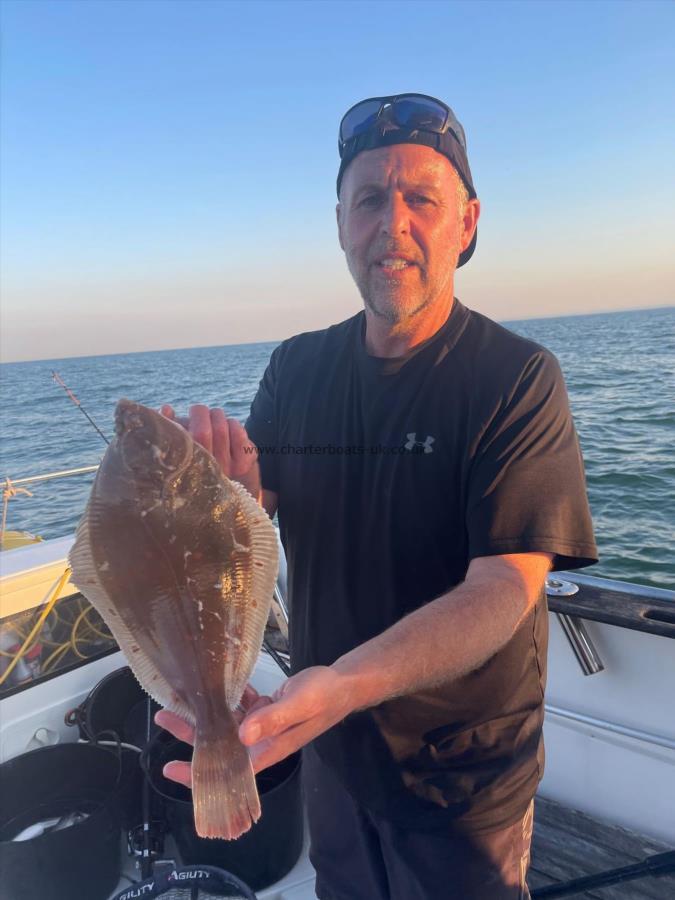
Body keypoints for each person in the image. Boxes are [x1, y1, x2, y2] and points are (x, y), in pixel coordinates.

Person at [157, 93, 598, 899]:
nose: (390, 223)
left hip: (460, 780)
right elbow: (258, 511)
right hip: (329, 748)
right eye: (367, 199)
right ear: (339, 224)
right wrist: (219, 489)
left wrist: (345, 685)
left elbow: (505, 584)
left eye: (420, 199)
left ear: (466, 223)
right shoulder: (297, 368)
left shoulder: (516, 379)